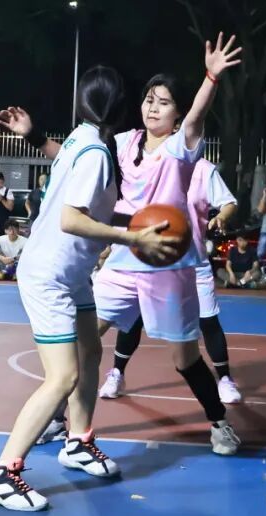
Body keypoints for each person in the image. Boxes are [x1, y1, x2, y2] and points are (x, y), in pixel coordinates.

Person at [0, 65, 176, 512]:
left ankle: (79, 441)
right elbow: (72, 218)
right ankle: (1, 472)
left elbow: (82, 196)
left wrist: (137, 223)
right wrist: (132, 237)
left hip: (72, 273)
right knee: (63, 376)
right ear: (119, 105)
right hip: (49, 274)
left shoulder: (82, 138)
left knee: (90, 353)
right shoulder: (95, 152)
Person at [91, 33, 243, 458]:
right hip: (123, 259)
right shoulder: (123, 142)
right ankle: (59, 418)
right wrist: (34, 137)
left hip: (168, 265)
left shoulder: (182, 147)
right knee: (84, 340)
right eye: (148, 99)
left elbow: (197, 117)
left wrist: (211, 78)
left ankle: (219, 424)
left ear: (176, 114)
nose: (153, 107)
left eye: (163, 102)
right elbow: (82, 156)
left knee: (184, 359)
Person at [94, 156, 243, 409]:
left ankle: (225, 379)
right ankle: (117, 373)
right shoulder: (146, 164)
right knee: (132, 320)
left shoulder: (203, 169)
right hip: (148, 259)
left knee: (208, 322)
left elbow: (229, 203)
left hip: (191, 261)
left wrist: (222, 217)